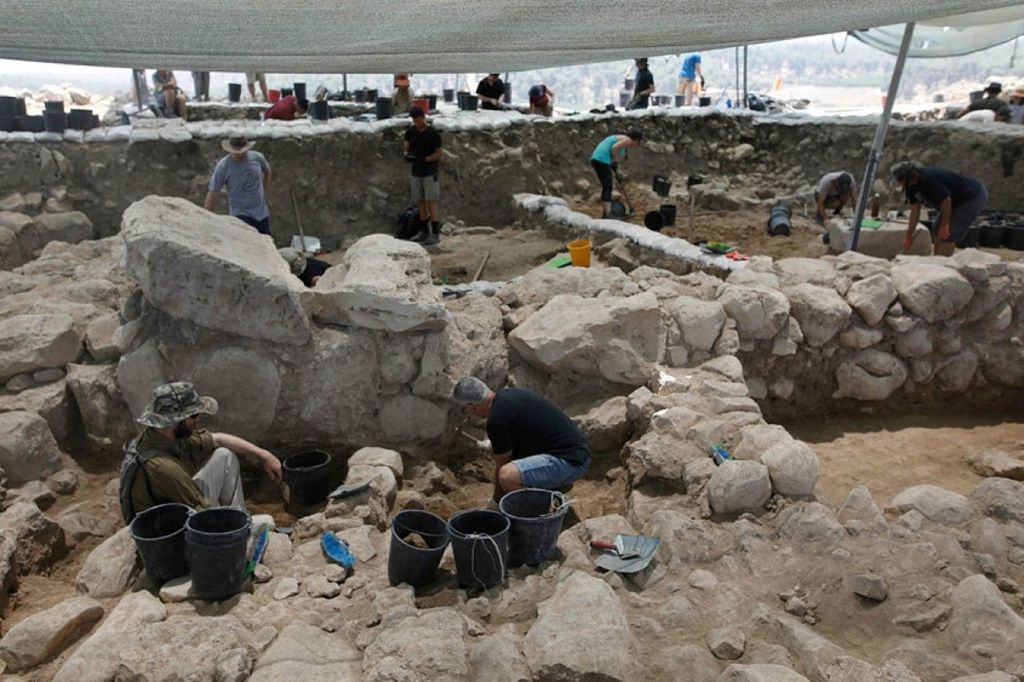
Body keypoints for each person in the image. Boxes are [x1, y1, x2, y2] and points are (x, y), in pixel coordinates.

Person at [118, 381, 282, 521]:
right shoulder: (163, 466)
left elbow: (219, 439)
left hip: (175, 508)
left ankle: (240, 515)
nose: (198, 419)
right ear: (175, 419)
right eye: (193, 415)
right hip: (167, 532)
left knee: (224, 455)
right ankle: (241, 527)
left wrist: (264, 455)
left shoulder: (164, 434)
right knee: (266, 522)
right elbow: (203, 515)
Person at [452, 377, 590, 506]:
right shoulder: (511, 394)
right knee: (515, 466)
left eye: (465, 410)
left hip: (570, 463)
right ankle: (552, 485)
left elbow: (502, 466)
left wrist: (497, 502)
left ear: (471, 406)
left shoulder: (496, 421)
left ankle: (541, 508)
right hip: (579, 451)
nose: (469, 414)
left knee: (507, 477)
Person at [892, 161, 988, 257]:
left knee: (947, 233)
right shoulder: (910, 187)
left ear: (908, 177)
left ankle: (944, 263)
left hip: (971, 197)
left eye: (899, 180)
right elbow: (915, 211)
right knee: (936, 228)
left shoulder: (928, 179)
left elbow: (946, 200)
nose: (899, 183)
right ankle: (937, 259)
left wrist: (945, 224)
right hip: (953, 202)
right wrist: (909, 236)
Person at [205, 136, 273, 236]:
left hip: (261, 213)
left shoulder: (257, 158)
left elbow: (267, 170)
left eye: (242, 153)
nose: (239, 155)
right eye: (236, 153)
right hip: (240, 214)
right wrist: (206, 216)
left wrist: (264, 188)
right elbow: (213, 192)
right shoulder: (223, 166)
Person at [403, 106, 444, 245]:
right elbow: (406, 146)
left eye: (418, 120)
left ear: (423, 117)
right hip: (416, 171)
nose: (417, 123)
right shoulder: (411, 131)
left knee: (431, 200)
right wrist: (408, 155)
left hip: (429, 171)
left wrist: (425, 159)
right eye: (414, 121)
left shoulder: (432, 133)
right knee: (420, 200)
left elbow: (439, 153)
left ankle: (435, 232)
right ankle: (423, 230)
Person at [590, 130, 643, 217]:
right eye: (638, 143)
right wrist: (613, 161)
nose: (636, 145)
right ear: (636, 140)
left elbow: (616, 151)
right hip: (601, 159)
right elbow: (614, 148)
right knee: (608, 186)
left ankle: (606, 212)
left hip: (597, 159)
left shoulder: (622, 139)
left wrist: (613, 164)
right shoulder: (627, 140)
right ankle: (608, 214)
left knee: (607, 185)